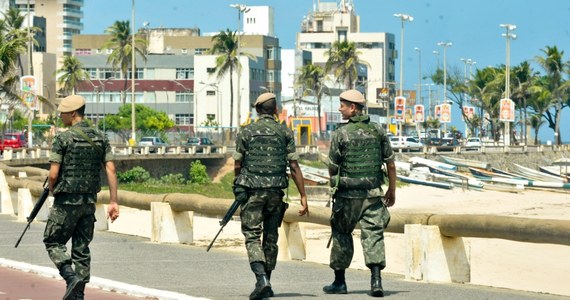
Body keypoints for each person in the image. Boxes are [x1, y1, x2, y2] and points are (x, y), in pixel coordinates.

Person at [233, 92, 309, 300]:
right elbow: (294, 166)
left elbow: (238, 164)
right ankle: (267, 280)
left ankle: (261, 280)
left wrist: (237, 186)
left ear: (258, 110)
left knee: (252, 235)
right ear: (275, 110)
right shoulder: (284, 132)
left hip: (253, 192)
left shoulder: (246, 132)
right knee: (271, 237)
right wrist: (303, 196)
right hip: (276, 193)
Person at [44, 95, 119, 300]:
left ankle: (70, 277)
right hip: (88, 203)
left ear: (73, 113)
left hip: (66, 201)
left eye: (63, 113)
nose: (61, 116)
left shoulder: (63, 139)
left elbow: (53, 174)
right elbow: (111, 169)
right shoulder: (101, 137)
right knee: (81, 249)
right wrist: (114, 201)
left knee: (52, 241)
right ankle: (78, 295)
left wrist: (52, 190)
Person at [323, 89, 396, 297]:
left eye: (343, 105)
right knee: (373, 235)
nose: (340, 108)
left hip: (347, 196)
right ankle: (376, 282)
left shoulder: (340, 134)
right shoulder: (378, 131)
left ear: (353, 108)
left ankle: (339, 282)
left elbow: (332, 166)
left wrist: (335, 183)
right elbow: (390, 164)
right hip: (373, 195)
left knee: (341, 234)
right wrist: (391, 190)